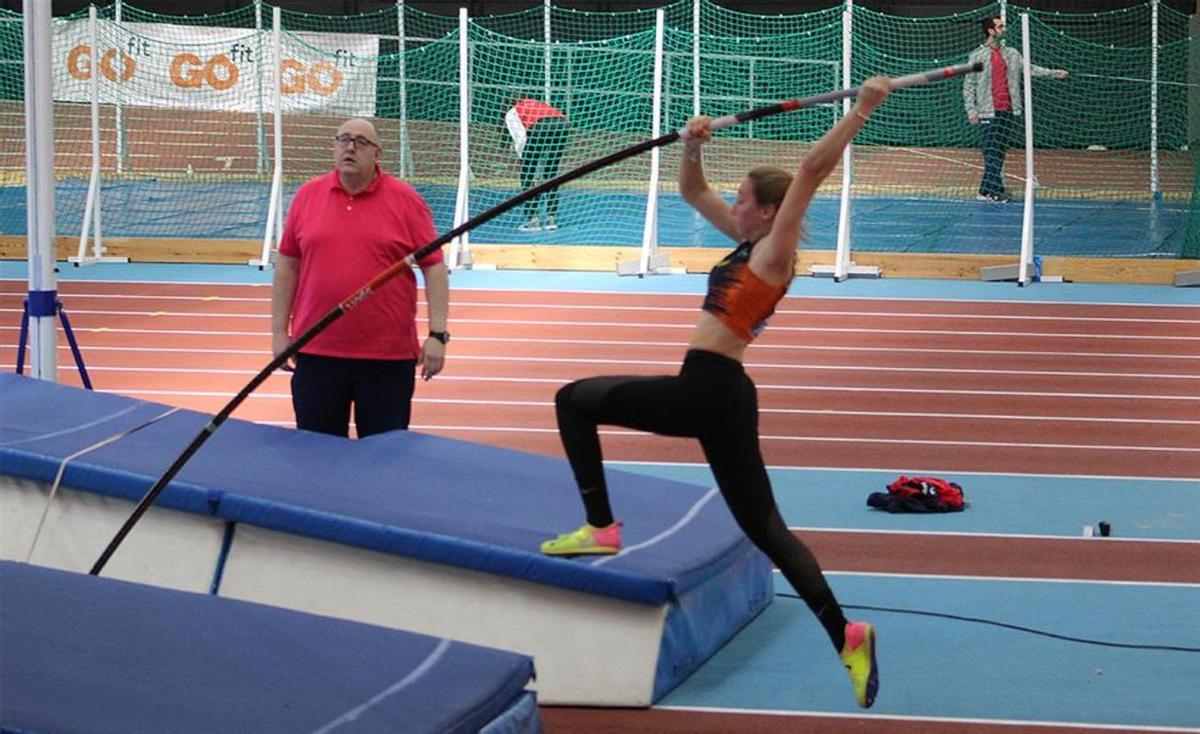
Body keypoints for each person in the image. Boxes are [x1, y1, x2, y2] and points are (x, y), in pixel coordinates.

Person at [539, 77, 893, 709]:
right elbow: (691, 189)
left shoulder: (772, 256)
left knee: (573, 399)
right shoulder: (747, 243)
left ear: (764, 210)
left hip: (705, 390)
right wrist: (691, 145)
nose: (732, 204)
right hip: (726, 395)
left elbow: (810, 171)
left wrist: (861, 109)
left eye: (742, 199)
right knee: (767, 530)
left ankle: (599, 527)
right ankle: (846, 634)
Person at [271, 118, 449, 439]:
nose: (350, 147)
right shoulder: (308, 196)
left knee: (383, 461)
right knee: (316, 457)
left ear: (377, 153)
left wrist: (438, 334)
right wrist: (279, 332)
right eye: (343, 139)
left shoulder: (406, 200)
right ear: (334, 147)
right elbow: (287, 264)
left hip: (387, 357)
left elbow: (434, 266)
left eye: (361, 142)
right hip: (317, 352)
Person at [963, 15, 1068, 203]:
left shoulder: (1011, 53)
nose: (1004, 29)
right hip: (988, 111)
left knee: (999, 152)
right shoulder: (977, 56)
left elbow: (1030, 68)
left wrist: (1053, 73)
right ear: (990, 31)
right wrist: (971, 110)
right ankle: (995, 190)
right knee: (992, 151)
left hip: (1009, 110)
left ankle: (985, 191)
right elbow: (969, 85)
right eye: (1000, 26)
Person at [505, 97, 569, 232]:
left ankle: (533, 219)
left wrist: (525, 161)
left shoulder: (511, 113)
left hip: (540, 127)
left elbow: (521, 139)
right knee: (550, 174)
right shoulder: (537, 104)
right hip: (562, 125)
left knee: (527, 174)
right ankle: (551, 218)